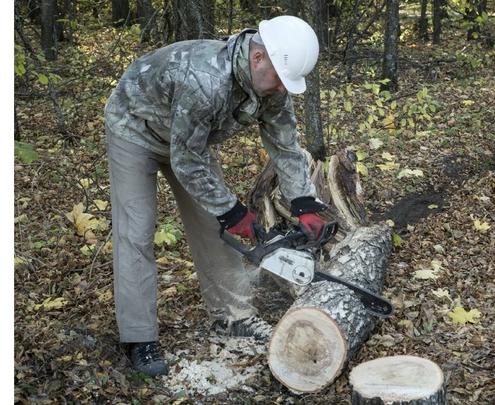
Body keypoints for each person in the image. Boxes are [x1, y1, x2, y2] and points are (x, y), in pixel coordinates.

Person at [104, 15, 328, 378]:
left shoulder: (271, 85)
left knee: (213, 227)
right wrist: (233, 210)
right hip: (136, 127)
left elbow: (286, 146)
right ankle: (139, 337)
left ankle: (233, 317)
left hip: (189, 137)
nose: (283, 90)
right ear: (258, 59)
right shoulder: (205, 79)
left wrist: (304, 202)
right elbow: (186, 160)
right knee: (137, 230)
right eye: (280, 80)